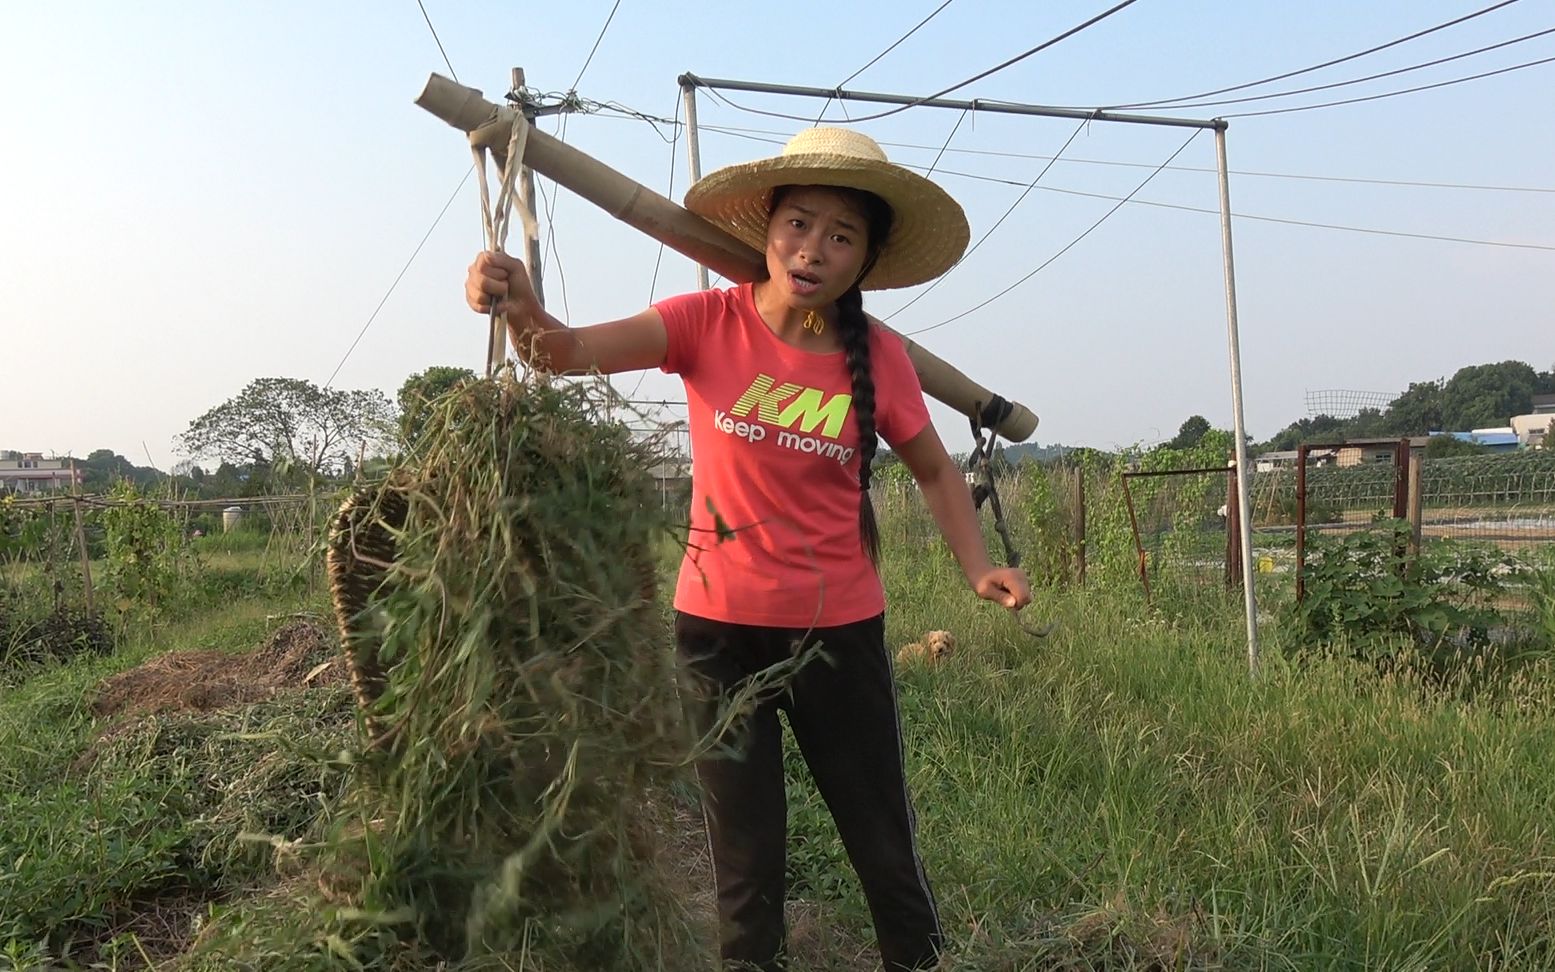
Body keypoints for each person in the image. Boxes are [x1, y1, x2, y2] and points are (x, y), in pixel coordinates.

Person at [465, 127, 1033, 972]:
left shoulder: (879, 356)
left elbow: (935, 470)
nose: (813, 249)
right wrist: (515, 303)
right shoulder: (704, 322)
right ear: (766, 228)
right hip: (715, 636)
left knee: (880, 839)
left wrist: (978, 566)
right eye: (798, 224)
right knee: (744, 856)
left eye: (841, 236)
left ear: (865, 259)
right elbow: (564, 354)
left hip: (837, 636)